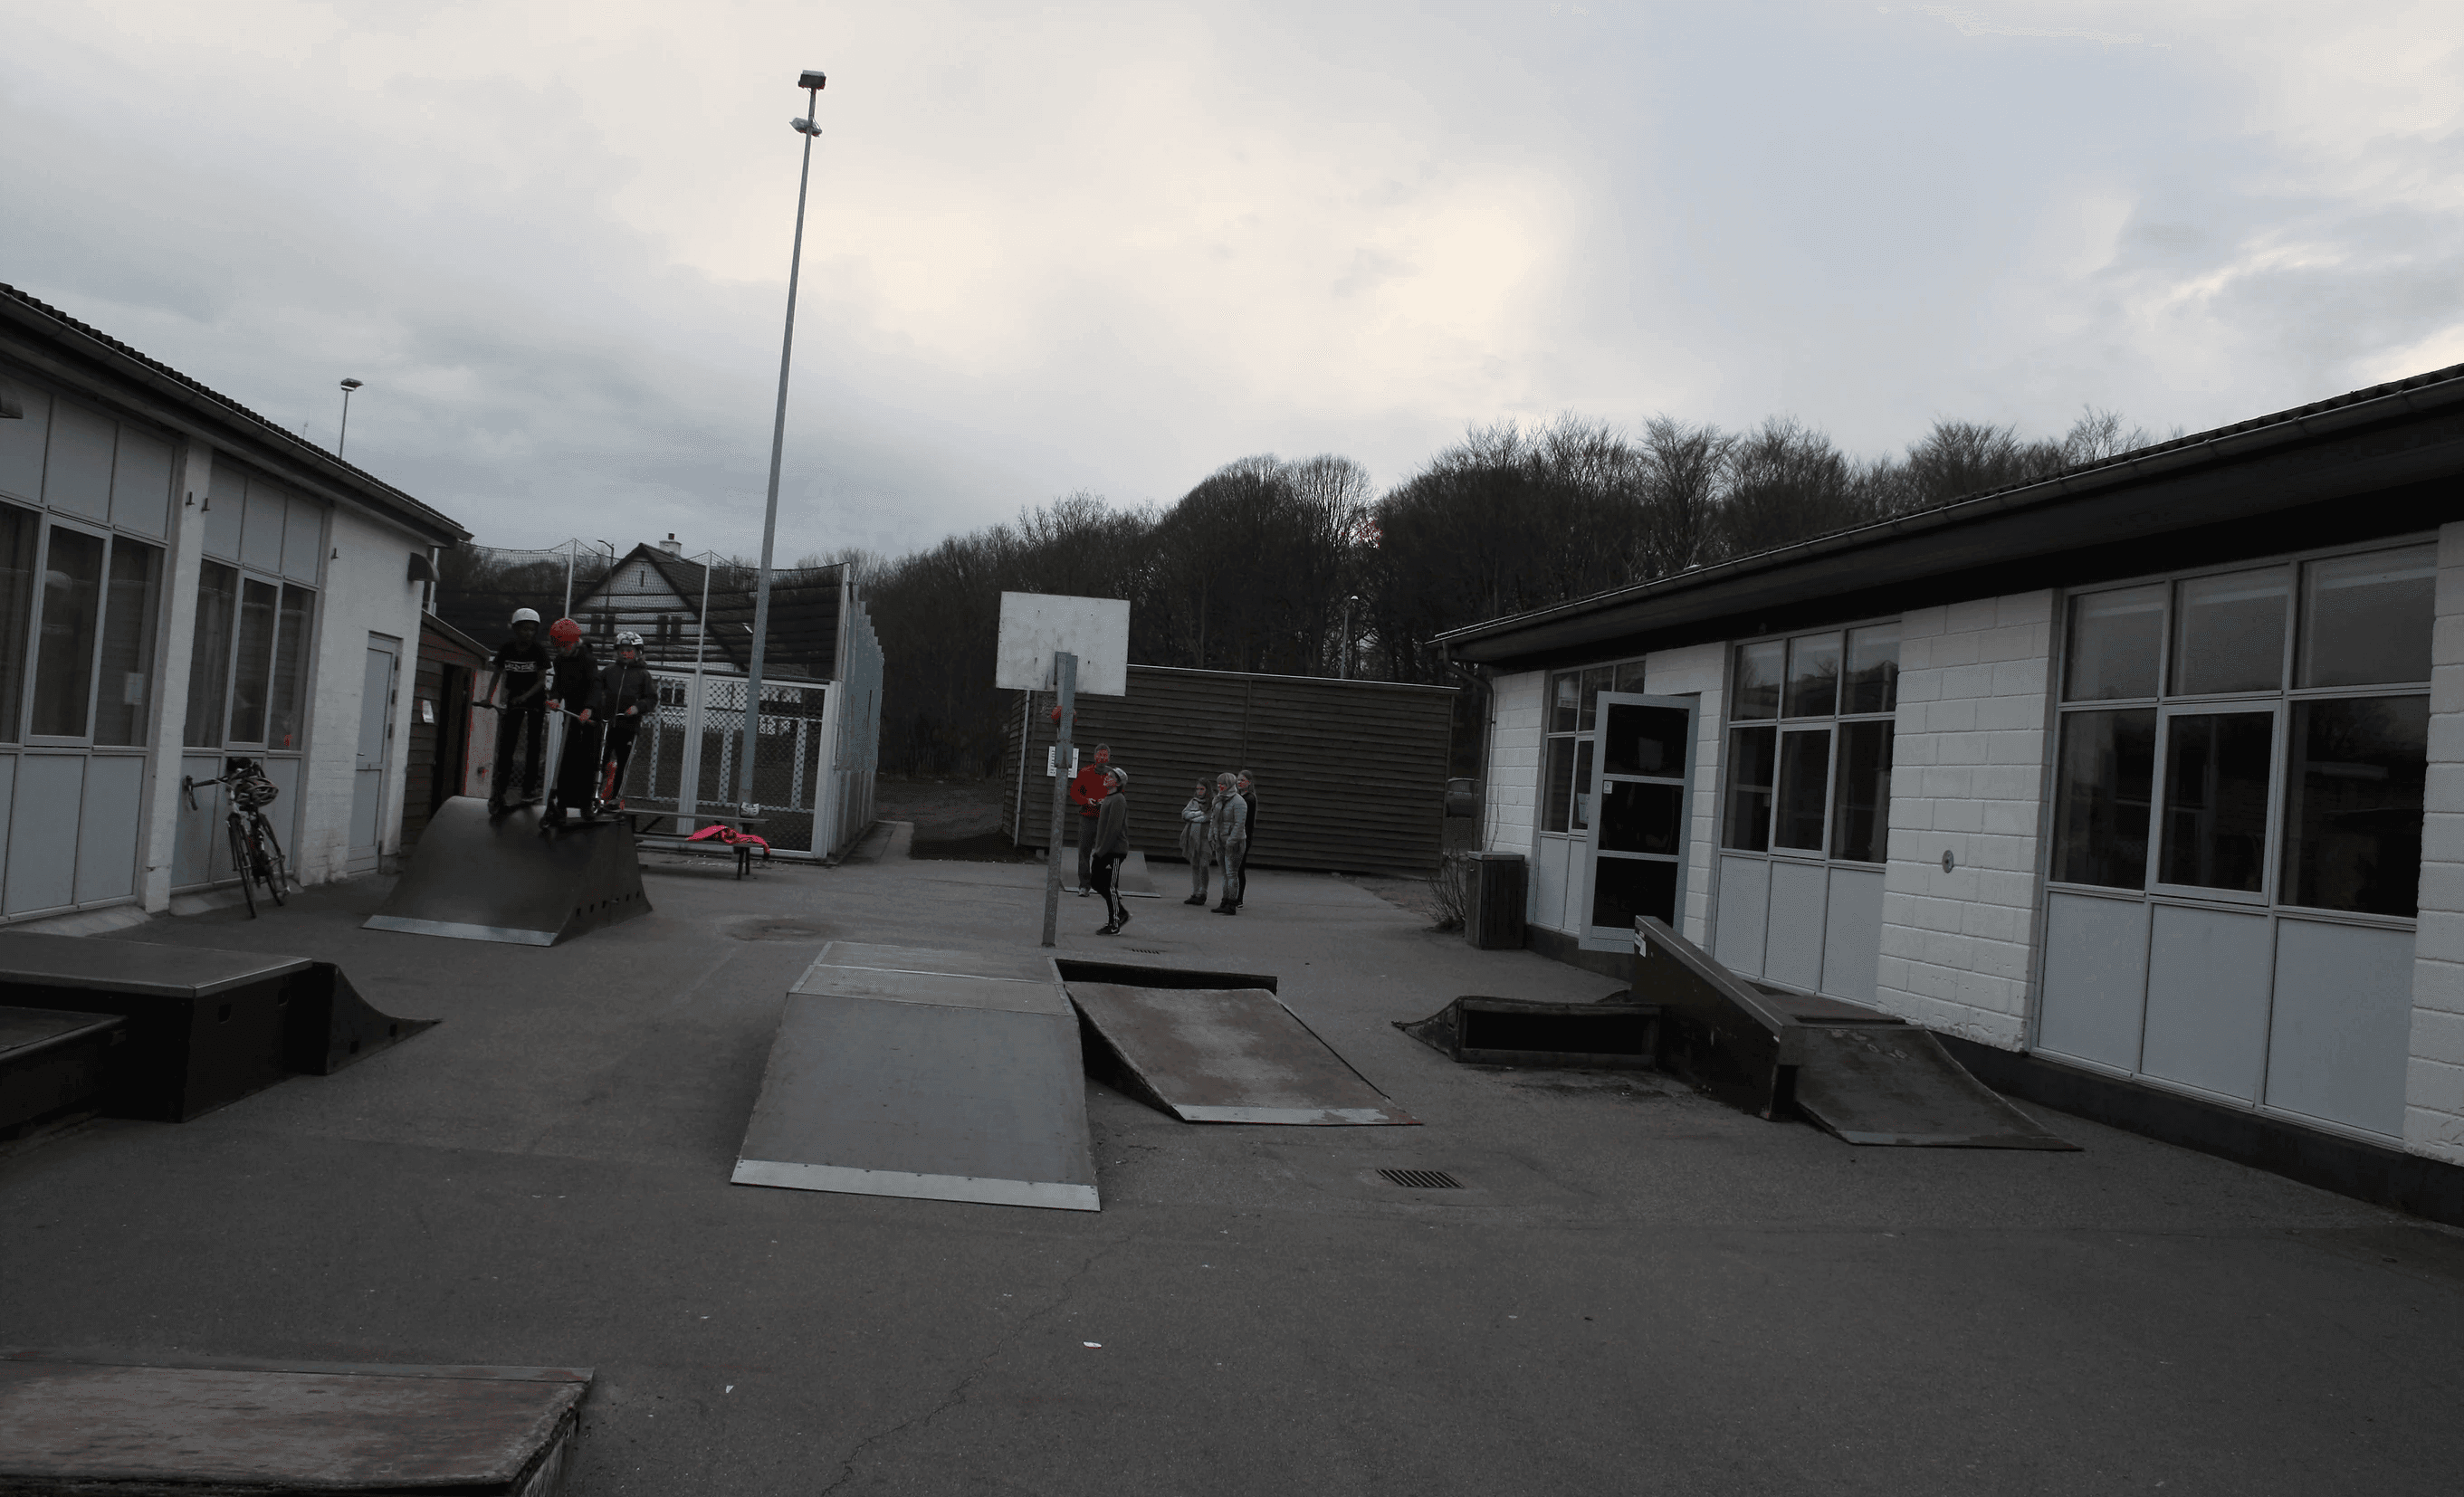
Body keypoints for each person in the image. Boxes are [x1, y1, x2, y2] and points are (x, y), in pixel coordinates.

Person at [484, 608, 550, 814]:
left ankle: (528, 790)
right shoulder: (507, 649)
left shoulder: (538, 651)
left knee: (533, 747)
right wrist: (489, 697)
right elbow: (497, 674)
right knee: (506, 746)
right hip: (514, 701)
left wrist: (525, 696)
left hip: (535, 702)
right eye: (524, 628)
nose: (528, 633)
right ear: (516, 628)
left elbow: (541, 681)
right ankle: (500, 790)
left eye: (532, 629)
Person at [537, 617, 601, 828]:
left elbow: (594, 686)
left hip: (590, 716)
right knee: (567, 758)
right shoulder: (560, 661)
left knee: (588, 759)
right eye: (558, 646)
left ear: (574, 642)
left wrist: (589, 708)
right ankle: (562, 804)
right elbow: (558, 684)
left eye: (564, 646)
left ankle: (585, 805)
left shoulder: (587, 659)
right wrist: (555, 698)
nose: (561, 650)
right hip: (571, 712)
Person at [598, 631, 654, 808]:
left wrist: (638, 707)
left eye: (629, 650)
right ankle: (594, 794)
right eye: (622, 650)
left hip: (628, 726)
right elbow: (596, 691)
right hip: (607, 725)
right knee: (600, 759)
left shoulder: (643, 674)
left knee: (623, 763)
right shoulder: (608, 671)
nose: (625, 653)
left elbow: (652, 698)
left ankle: (615, 798)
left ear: (638, 652)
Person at [1090, 767, 1133, 935]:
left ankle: (1115, 923)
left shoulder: (1118, 800)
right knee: (1095, 882)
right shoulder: (1108, 798)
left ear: (1117, 782)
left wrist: (1101, 851)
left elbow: (1113, 829)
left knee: (1111, 886)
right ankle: (1121, 912)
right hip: (1103, 850)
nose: (1106, 777)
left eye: (1110, 776)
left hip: (1114, 851)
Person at [1067, 743, 1113, 896]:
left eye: (1105, 755)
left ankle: (1104, 884)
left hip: (1105, 819)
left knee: (1105, 853)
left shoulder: (1113, 775)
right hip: (1087, 817)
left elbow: (1119, 795)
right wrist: (1086, 800)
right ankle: (1084, 885)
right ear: (1095, 756)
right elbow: (1074, 791)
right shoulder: (1086, 772)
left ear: (1109, 757)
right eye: (1100, 755)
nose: (1102, 758)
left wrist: (1105, 802)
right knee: (1084, 851)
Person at [1209, 772, 1247, 915]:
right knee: (1224, 873)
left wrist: (1231, 841)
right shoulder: (1218, 799)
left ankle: (1232, 903)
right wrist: (1211, 835)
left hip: (1235, 843)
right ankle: (1224, 901)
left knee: (1232, 873)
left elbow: (1239, 824)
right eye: (1219, 783)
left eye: (1223, 784)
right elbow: (1214, 819)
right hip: (1220, 841)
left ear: (1230, 785)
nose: (1220, 786)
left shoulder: (1239, 801)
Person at [1179, 777, 1215, 905]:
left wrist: (1195, 816)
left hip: (1205, 837)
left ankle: (1203, 892)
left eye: (1202, 789)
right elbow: (1185, 814)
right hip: (1193, 837)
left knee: (1204, 865)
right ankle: (1195, 892)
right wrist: (1197, 814)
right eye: (1198, 789)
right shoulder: (1193, 802)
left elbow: (1208, 817)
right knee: (1194, 864)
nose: (1199, 792)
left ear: (1207, 790)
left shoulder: (1212, 802)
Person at [1234, 769, 1260, 911]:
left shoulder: (1249, 799)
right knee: (1234, 867)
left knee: (1239, 868)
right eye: (1238, 780)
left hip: (1243, 837)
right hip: (1238, 836)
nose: (1239, 782)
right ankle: (1233, 896)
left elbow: (1243, 821)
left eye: (1242, 780)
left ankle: (1239, 898)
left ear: (1249, 783)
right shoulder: (1238, 796)